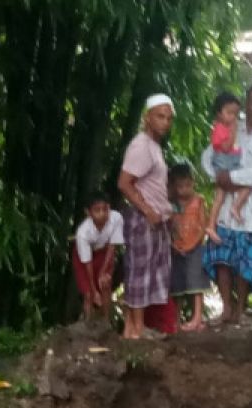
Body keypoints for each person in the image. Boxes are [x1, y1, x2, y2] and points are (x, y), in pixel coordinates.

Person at [202, 83, 252, 327]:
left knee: (245, 263)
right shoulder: (230, 126)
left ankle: (241, 310)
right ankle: (226, 309)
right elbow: (208, 157)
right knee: (222, 259)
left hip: (251, 209)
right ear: (246, 102)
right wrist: (217, 177)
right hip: (225, 205)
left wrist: (232, 179)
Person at [117, 94, 175, 340]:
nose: (165, 122)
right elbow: (124, 183)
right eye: (160, 116)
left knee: (147, 271)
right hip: (144, 219)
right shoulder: (141, 146)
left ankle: (132, 328)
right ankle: (136, 330)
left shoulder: (153, 145)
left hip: (154, 219)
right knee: (139, 273)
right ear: (147, 117)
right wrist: (149, 211)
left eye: (169, 118)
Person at [204, 92, 252, 243]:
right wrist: (233, 132)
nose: (233, 117)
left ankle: (212, 225)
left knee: (220, 197)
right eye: (229, 113)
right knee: (248, 183)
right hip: (225, 166)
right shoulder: (219, 128)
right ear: (219, 113)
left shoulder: (225, 127)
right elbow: (225, 147)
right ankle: (235, 208)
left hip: (230, 164)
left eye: (236, 114)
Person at [168, 165, 209, 332]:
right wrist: (173, 245)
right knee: (176, 284)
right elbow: (169, 228)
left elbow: (203, 225)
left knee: (196, 283)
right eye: (179, 186)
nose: (184, 190)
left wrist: (194, 244)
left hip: (195, 248)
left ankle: (197, 318)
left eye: (187, 185)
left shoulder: (198, 201)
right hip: (177, 249)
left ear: (193, 183)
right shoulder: (171, 205)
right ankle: (175, 320)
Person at [72, 192, 123, 321]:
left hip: (104, 253)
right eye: (97, 210)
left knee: (105, 285)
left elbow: (112, 247)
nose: (102, 214)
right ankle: (88, 323)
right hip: (83, 258)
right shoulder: (83, 233)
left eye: (105, 209)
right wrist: (94, 290)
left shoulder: (116, 219)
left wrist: (103, 272)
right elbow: (87, 262)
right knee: (88, 294)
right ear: (88, 213)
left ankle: (105, 323)